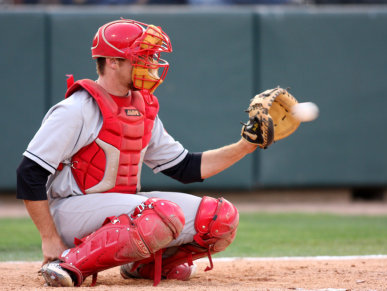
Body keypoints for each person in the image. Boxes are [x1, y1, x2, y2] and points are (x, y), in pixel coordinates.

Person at [16, 19, 258, 287]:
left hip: (124, 210)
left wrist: (246, 145)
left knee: (218, 218)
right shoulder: (76, 109)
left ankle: (144, 266)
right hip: (71, 210)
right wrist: (48, 237)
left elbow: (185, 168)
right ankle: (66, 263)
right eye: (141, 57)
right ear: (113, 61)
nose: (151, 64)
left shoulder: (142, 106)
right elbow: (30, 173)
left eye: (151, 57)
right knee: (162, 213)